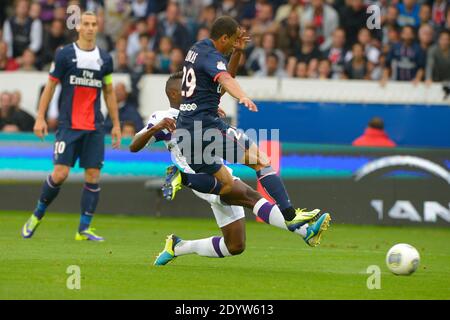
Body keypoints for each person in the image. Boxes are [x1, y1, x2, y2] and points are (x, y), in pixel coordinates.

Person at [129, 72, 330, 266]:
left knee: (235, 245)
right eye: (186, 89)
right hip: (201, 178)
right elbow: (134, 146)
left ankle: (178, 247)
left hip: (220, 172)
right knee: (249, 196)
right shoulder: (163, 117)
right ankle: (303, 231)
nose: (192, 92)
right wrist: (155, 128)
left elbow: (225, 79)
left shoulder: (198, 112)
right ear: (174, 94)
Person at [168, 16, 328, 234]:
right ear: (223, 37)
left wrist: (238, 52)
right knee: (261, 161)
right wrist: (242, 96)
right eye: (233, 40)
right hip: (207, 128)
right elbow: (226, 80)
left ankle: (182, 177)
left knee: (225, 185)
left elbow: (221, 78)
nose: (234, 43)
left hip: (185, 131)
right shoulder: (211, 56)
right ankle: (290, 216)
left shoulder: (197, 49)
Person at [21, 11, 122, 241]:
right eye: (85, 24)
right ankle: (37, 214)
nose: (89, 28)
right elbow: (50, 86)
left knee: (93, 175)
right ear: (78, 27)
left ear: (98, 27)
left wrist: (115, 124)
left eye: (93, 24)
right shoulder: (65, 54)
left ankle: (83, 229)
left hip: (94, 126)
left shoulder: (105, 58)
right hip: (69, 125)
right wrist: (40, 116)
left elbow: (108, 92)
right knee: (60, 174)